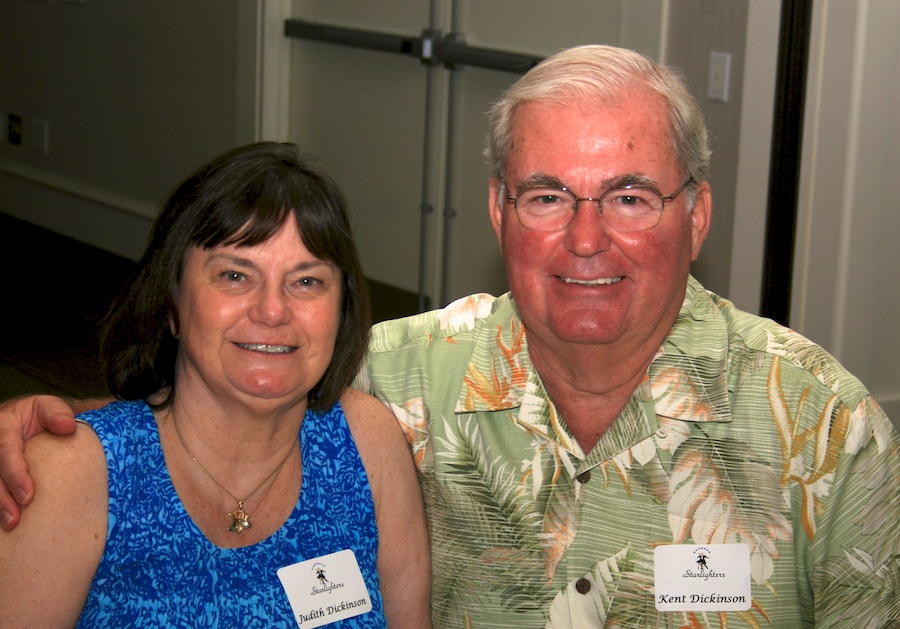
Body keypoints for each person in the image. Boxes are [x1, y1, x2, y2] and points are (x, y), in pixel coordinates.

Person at [1, 45, 898, 628]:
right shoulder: (406, 377)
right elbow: (244, 375)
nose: (587, 240)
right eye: (547, 195)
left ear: (696, 216)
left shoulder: (823, 429)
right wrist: (56, 430)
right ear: (502, 212)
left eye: (630, 195)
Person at [0, 142, 431, 627]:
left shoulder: (366, 441)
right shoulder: (72, 473)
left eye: (307, 282)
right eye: (234, 275)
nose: (273, 311)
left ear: (342, 311)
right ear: (171, 303)